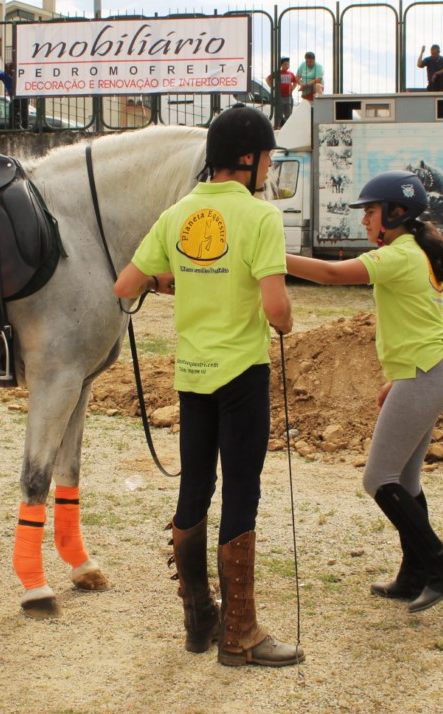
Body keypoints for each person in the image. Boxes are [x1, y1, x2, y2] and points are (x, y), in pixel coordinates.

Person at [113, 105, 303, 668]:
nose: (269, 166)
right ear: (248, 160)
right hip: (242, 373)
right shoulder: (262, 217)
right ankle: (240, 632)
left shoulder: (177, 214)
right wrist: (285, 320)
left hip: (191, 376)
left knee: (195, 487)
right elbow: (276, 308)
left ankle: (199, 617)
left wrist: (177, 280)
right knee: (241, 490)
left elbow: (126, 284)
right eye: (268, 155)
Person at [285, 171, 443, 614]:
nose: (365, 220)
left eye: (369, 211)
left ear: (395, 213)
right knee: (405, 481)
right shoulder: (411, 250)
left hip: (424, 373)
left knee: (378, 480)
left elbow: (330, 274)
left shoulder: (400, 255)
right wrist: (397, 377)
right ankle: (415, 572)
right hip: (425, 370)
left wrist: (270, 256)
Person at [266, 57, 298, 127]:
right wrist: (273, 87)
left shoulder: (291, 74)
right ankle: (277, 126)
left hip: (288, 96)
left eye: (288, 64)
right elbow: (268, 79)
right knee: (278, 114)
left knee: (288, 114)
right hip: (279, 96)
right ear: (281, 65)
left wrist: (292, 88)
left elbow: (296, 81)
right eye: (285, 64)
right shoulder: (277, 73)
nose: (286, 66)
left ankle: (288, 127)